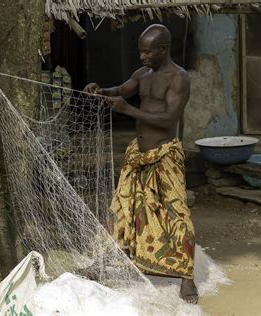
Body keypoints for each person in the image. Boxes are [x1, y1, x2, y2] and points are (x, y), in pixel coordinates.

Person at [84, 24, 198, 304]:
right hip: (138, 154)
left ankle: (186, 276)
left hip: (165, 154)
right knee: (122, 205)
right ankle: (107, 259)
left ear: (163, 49)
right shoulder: (142, 74)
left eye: (148, 51)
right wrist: (100, 90)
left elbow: (169, 119)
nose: (143, 56)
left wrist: (128, 109)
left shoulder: (179, 78)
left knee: (176, 211)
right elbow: (121, 89)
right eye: (141, 51)